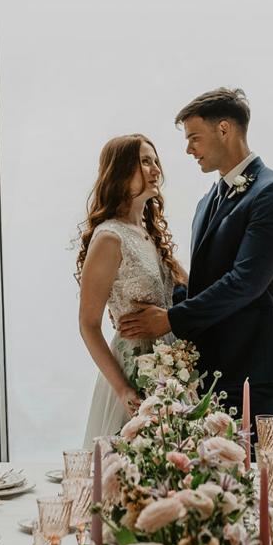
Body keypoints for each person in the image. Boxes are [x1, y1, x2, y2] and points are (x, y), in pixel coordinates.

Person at [118, 88, 273, 419]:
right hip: (205, 371)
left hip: (254, 369)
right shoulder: (207, 201)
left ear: (224, 129)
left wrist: (170, 320)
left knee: (250, 468)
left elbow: (245, 281)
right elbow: (204, 284)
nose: (188, 149)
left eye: (194, 138)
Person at [76, 134, 187, 444]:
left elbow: (190, 291)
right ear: (121, 170)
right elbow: (88, 324)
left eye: (155, 161)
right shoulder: (110, 237)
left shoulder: (151, 236)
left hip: (170, 369)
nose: (155, 169)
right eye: (144, 161)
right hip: (133, 369)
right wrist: (122, 388)